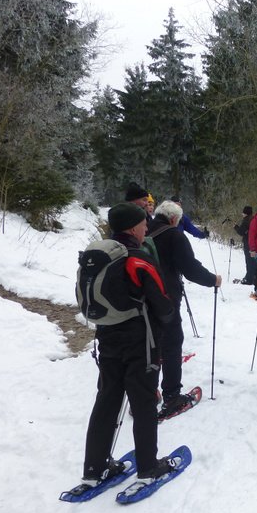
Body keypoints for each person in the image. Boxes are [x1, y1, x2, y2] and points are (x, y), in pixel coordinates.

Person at [81, 203, 176, 486]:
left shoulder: (97, 257)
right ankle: (148, 467)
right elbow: (162, 304)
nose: (147, 227)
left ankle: (94, 468)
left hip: (106, 336)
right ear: (133, 227)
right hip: (140, 339)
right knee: (144, 399)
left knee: (107, 398)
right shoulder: (137, 257)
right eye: (144, 223)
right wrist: (167, 319)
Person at [148, 200, 221, 417]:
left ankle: (148, 393)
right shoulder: (173, 235)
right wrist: (212, 280)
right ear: (173, 219)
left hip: (143, 299)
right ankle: (172, 398)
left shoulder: (144, 230)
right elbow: (190, 268)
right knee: (171, 346)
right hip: (166, 300)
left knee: (151, 346)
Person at [234, 205, 255, 284]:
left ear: (245, 213)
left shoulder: (246, 220)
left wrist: (235, 227)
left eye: (243, 212)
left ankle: (249, 279)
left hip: (248, 243)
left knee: (249, 261)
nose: (242, 214)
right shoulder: (254, 219)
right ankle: (253, 277)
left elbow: (241, 232)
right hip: (254, 243)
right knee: (253, 261)